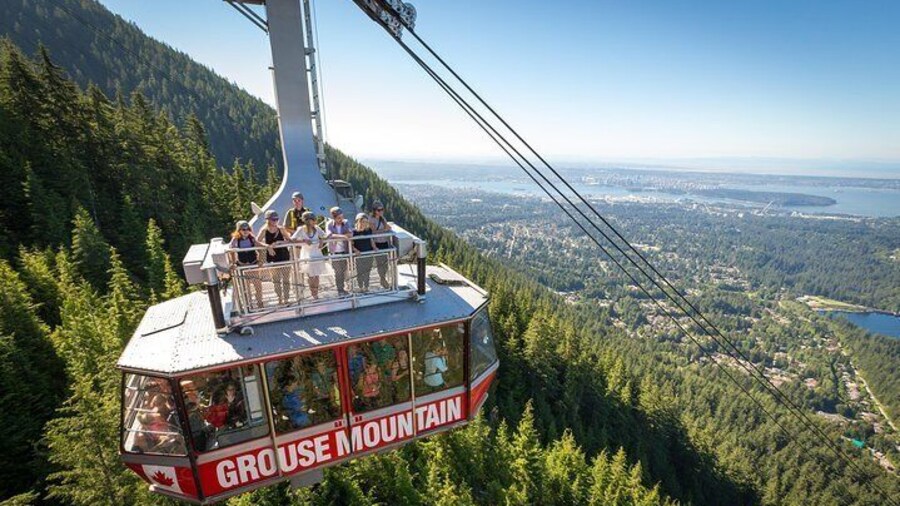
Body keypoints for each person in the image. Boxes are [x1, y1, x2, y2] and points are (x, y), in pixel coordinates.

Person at [291, 211, 330, 300]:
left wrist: (322, 240)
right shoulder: (301, 229)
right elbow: (292, 239)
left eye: (312, 219)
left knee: (316, 275)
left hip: (317, 253)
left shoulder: (317, 228)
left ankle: (316, 294)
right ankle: (313, 293)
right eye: (310, 220)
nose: (312, 221)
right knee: (310, 276)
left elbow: (325, 235)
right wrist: (303, 241)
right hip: (307, 254)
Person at [257, 210, 292, 305]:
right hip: (272, 257)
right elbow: (257, 242)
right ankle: (279, 298)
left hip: (284, 255)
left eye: (277, 219)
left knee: (286, 279)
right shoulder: (264, 230)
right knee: (276, 279)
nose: (275, 221)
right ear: (268, 220)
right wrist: (267, 246)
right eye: (273, 219)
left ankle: (286, 298)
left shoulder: (281, 229)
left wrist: (280, 242)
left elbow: (290, 240)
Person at [228, 220, 263, 308]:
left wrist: (262, 258)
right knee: (245, 287)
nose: (246, 231)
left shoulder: (251, 237)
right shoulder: (236, 239)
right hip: (243, 266)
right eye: (243, 229)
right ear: (239, 230)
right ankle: (248, 304)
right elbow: (231, 249)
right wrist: (232, 262)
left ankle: (259, 302)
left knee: (257, 285)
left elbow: (258, 245)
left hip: (253, 264)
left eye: (247, 229)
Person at [325, 206, 353, 296]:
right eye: (339, 218)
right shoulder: (329, 224)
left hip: (344, 250)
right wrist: (343, 236)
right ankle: (340, 290)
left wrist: (340, 236)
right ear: (334, 218)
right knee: (338, 272)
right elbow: (329, 235)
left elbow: (350, 233)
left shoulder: (346, 222)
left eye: (342, 217)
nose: (341, 219)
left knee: (344, 270)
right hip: (334, 251)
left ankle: (345, 288)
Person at [369, 201, 394, 289]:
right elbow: (373, 232)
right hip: (377, 243)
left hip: (384, 242)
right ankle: (382, 279)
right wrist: (385, 230)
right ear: (375, 210)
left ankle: (383, 278)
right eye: (379, 210)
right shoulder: (371, 219)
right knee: (380, 262)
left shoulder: (382, 218)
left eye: (382, 209)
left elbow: (387, 227)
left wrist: (387, 228)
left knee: (385, 263)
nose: (381, 211)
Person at [352, 212, 376, 292]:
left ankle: (366, 287)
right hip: (359, 255)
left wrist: (374, 247)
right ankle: (360, 287)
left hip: (368, 253)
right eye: (362, 221)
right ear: (358, 222)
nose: (364, 223)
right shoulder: (354, 232)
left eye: (366, 222)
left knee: (367, 272)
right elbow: (351, 244)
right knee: (360, 272)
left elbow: (371, 240)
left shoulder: (368, 230)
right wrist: (355, 250)